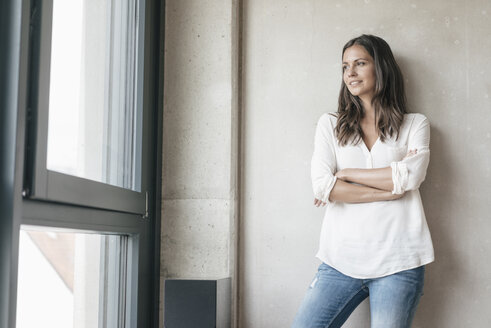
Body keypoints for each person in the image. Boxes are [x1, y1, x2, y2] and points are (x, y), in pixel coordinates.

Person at [291, 34, 435, 328]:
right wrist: (388, 189)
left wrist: (346, 175)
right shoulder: (330, 124)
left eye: (360, 63)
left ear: (380, 68)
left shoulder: (414, 124)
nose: (350, 74)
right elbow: (322, 186)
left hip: (400, 261)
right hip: (340, 260)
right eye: (345, 67)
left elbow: (411, 176)